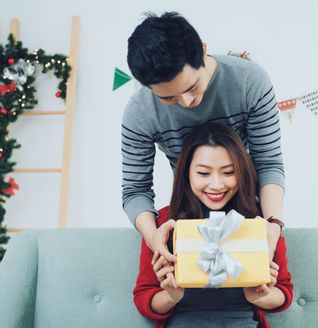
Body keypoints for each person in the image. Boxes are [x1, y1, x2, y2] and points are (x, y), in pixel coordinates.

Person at [122, 12, 286, 263]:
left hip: (246, 208)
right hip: (188, 211)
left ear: (202, 50)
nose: (187, 102)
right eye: (169, 98)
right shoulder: (140, 113)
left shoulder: (250, 82)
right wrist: (152, 235)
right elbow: (136, 190)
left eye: (191, 87)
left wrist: (272, 223)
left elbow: (268, 163)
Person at [133, 124, 293, 328]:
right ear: (186, 172)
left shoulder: (263, 224)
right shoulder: (163, 225)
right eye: (203, 173)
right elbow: (144, 298)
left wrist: (259, 295)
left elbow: (284, 294)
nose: (217, 184)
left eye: (228, 172)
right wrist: (171, 295)